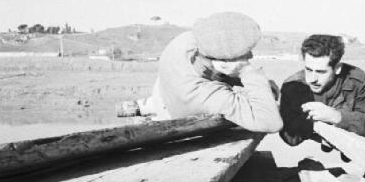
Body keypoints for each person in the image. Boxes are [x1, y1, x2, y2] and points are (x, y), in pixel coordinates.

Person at [119, 12, 283, 133]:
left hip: (162, 90)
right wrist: (248, 72)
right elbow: (271, 123)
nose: (251, 57)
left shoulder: (185, 41)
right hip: (172, 113)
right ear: (223, 63)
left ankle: (147, 106)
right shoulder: (205, 94)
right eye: (245, 56)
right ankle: (152, 112)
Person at [279, 34, 365, 146]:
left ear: (337, 68)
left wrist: (337, 116)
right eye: (308, 70)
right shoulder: (293, 86)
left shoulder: (359, 81)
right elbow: (290, 138)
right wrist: (313, 125)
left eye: (321, 72)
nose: (312, 79)